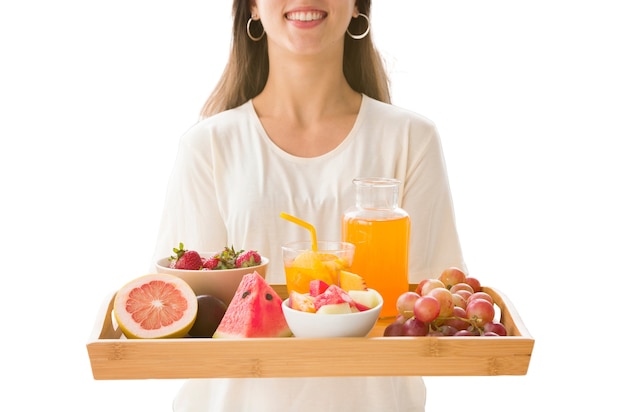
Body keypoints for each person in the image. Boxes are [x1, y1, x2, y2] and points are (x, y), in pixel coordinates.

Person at [152, 1, 466, 411]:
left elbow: (430, 308)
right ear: (252, 7)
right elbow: (187, 311)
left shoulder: (411, 139)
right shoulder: (207, 147)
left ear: (357, 6)